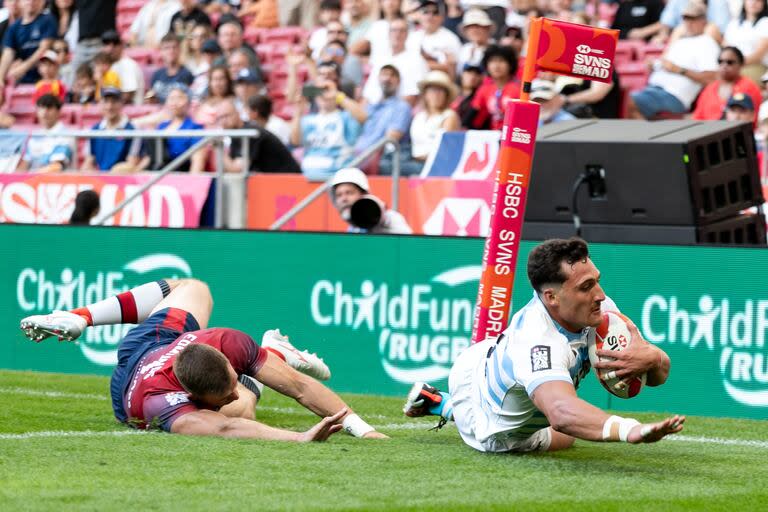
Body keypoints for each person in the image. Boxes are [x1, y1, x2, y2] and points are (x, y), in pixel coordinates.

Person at [403, 237, 684, 453]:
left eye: (597, 281)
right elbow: (561, 413)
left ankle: (437, 400)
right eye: (586, 287)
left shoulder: (598, 308)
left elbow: (660, 374)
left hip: (483, 358)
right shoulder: (538, 341)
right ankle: (445, 405)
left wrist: (653, 359)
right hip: (492, 427)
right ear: (551, 297)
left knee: (575, 422)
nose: (599, 295)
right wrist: (630, 430)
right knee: (566, 436)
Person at [19, 277, 387, 441]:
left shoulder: (226, 342)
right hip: (134, 386)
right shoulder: (165, 406)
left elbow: (300, 386)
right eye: (224, 393)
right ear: (196, 399)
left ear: (223, 357)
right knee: (243, 409)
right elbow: (228, 428)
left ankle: (80, 316)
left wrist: (362, 428)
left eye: (235, 376)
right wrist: (299, 438)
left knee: (191, 287)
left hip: (153, 343)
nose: (233, 388)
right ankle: (275, 350)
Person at [627, 1, 719, 119]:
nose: (688, 23)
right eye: (685, 18)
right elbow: (666, 65)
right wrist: (654, 65)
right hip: (655, 89)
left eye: (693, 19)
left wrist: (679, 70)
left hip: (675, 95)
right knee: (626, 100)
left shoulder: (707, 42)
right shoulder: (680, 41)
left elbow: (711, 78)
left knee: (629, 102)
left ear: (703, 20)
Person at [291, 77, 366, 181]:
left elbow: (363, 117)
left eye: (326, 90)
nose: (323, 94)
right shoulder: (307, 119)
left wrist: (336, 94)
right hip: (308, 176)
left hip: (337, 177)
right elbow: (295, 141)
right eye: (319, 91)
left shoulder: (345, 117)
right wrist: (298, 112)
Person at [355, 64, 412, 176]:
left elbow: (391, 138)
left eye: (392, 75)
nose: (387, 78)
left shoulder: (401, 107)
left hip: (378, 158)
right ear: (378, 79)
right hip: (359, 157)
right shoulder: (370, 107)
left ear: (398, 81)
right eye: (384, 74)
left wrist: (364, 158)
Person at [217, 98, 300, 173]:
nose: (223, 121)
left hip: (289, 181)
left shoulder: (250, 132)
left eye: (226, 116)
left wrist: (217, 147)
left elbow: (237, 169)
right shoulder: (238, 134)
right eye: (220, 118)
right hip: (276, 181)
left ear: (238, 113)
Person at [361, 17, 428, 106]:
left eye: (402, 31)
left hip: (397, 111)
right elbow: (367, 95)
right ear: (388, 34)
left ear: (407, 34)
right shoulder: (381, 59)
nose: (397, 34)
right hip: (373, 109)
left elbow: (412, 98)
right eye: (394, 30)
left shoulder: (417, 60)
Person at [82, 87, 147, 173]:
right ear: (100, 104)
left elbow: (132, 163)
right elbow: (88, 162)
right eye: (106, 102)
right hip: (101, 179)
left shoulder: (133, 130)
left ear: (121, 104)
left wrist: (114, 172)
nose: (109, 106)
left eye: (114, 102)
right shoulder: (94, 130)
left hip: (123, 179)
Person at [330, 166, 412, 234]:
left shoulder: (392, 218)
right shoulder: (353, 229)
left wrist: (379, 215)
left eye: (349, 193)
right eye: (339, 195)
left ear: (364, 194)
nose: (344, 199)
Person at [407, 70, 459, 175]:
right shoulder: (419, 116)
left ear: (446, 95)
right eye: (433, 90)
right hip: (413, 161)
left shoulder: (449, 115)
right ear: (425, 94)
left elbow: (445, 150)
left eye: (441, 90)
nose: (436, 94)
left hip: (433, 165)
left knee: (391, 167)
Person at [692, 47, 762, 124]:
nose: (724, 65)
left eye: (730, 62)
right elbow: (697, 117)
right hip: (707, 132)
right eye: (720, 62)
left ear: (741, 64)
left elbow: (753, 118)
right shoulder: (710, 88)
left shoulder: (749, 87)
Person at [0, 0, 57, 89]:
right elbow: (8, 53)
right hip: (20, 82)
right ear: (20, 2)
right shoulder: (14, 27)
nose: (31, 2)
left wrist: (22, 68)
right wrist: (1, 78)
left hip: (45, 79)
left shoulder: (48, 20)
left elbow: (44, 48)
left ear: (42, 2)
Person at [462, 45, 520, 130]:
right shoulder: (485, 89)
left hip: (513, 135)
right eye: (492, 61)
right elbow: (474, 117)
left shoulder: (518, 88)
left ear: (510, 65)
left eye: (501, 61)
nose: (496, 65)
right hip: (493, 136)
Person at [155, 85, 207, 173]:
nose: (174, 102)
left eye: (179, 98)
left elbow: (197, 163)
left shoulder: (195, 127)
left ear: (189, 102)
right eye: (171, 98)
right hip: (159, 176)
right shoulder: (161, 127)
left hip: (182, 176)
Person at [17, 93, 74, 173]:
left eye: (49, 108)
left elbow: (56, 167)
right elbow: (25, 163)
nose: (44, 112)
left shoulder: (66, 135)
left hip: (55, 182)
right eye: (41, 108)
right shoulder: (35, 136)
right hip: (33, 181)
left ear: (58, 111)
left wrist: (30, 177)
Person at [410, 0, 462, 79]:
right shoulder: (412, 37)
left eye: (435, 12)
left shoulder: (451, 39)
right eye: (425, 12)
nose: (430, 16)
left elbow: (453, 70)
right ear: (419, 15)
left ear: (442, 17)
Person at [723, 0, 768, 84]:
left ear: (763, 4)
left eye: (758, 1)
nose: (753, 3)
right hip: (732, 66)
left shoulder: (765, 22)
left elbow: (759, 55)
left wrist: (736, 64)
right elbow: (726, 47)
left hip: (754, 66)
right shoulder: (733, 23)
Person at [102, 30, 145, 105]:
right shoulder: (110, 66)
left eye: (115, 44)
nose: (110, 48)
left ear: (121, 45)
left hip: (131, 110)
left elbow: (127, 96)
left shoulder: (128, 65)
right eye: (107, 44)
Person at [149, 33, 194, 104]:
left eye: (174, 47)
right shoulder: (157, 74)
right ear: (161, 51)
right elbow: (151, 96)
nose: (171, 51)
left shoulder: (187, 74)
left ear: (179, 50)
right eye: (167, 48)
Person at [457, 8, 494, 75]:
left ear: (487, 28)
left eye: (478, 26)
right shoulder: (464, 49)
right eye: (470, 27)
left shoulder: (496, 48)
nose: (474, 30)